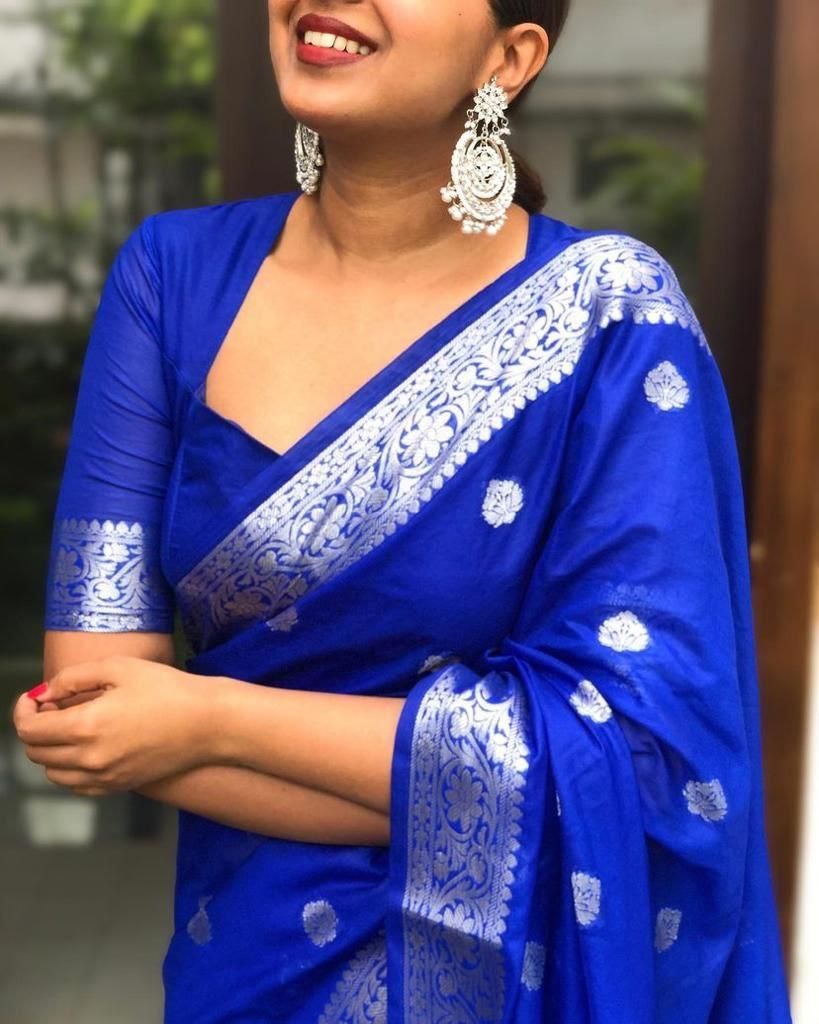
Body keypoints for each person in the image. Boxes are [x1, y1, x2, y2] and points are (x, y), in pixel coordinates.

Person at [12, 1, 794, 1021]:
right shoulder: (171, 278)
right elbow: (93, 712)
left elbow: (649, 766)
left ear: (509, 57)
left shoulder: (610, 320)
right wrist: (456, 779)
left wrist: (205, 719)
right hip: (241, 966)